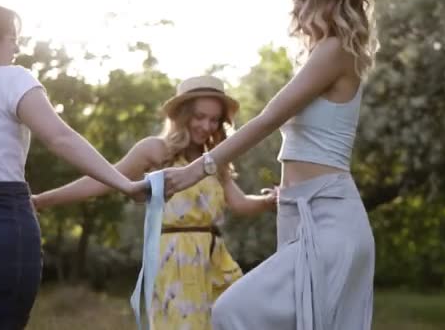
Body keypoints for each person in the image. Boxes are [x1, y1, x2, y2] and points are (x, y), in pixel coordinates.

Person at [162, 0, 379, 328]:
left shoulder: (337, 49)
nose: (295, 2)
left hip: (330, 216)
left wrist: (198, 169)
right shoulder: (322, 53)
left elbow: (268, 118)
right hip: (298, 214)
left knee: (231, 310)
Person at [0, 2, 145, 329]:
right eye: (12, 37)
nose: (17, 47)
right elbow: (61, 138)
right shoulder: (11, 79)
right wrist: (125, 183)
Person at [32, 75, 277, 329]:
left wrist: (272, 200)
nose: (206, 126)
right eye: (199, 116)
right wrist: (41, 200)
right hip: (176, 261)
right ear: (182, 115)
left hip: (215, 259)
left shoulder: (214, 161)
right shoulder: (157, 151)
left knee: (239, 320)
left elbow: (240, 203)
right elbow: (103, 180)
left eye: (214, 120)